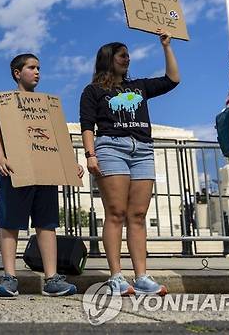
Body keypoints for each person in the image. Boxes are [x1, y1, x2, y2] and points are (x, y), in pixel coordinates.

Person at [79, 29, 179, 296]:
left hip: (143, 150)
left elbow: (173, 79)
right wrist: (90, 155)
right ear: (108, 59)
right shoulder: (93, 90)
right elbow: (87, 125)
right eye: (122, 55)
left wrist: (166, 46)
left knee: (138, 215)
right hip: (112, 147)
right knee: (115, 213)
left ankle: (142, 276)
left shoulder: (140, 87)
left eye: (128, 55)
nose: (128, 59)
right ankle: (115, 276)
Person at [0, 53, 84, 299]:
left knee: (47, 223)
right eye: (31, 68)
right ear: (17, 73)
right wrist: (0, 158)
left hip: (45, 172)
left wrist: (70, 163)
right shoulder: (3, 103)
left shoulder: (47, 106)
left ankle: (51, 278)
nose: (37, 72)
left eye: (39, 68)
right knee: (10, 223)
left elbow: (57, 139)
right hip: (15, 171)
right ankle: (9, 277)